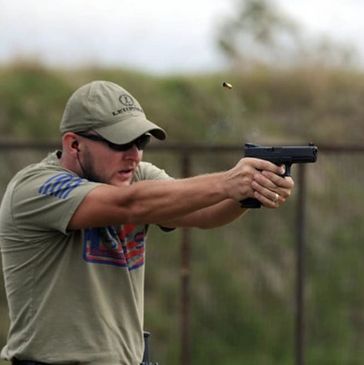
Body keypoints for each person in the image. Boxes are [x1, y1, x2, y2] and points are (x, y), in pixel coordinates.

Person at [0, 80, 294, 365]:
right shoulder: (34, 188)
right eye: (120, 142)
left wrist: (250, 190)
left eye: (140, 142)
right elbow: (131, 205)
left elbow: (205, 214)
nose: (134, 155)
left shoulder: (135, 176)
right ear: (74, 144)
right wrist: (228, 182)